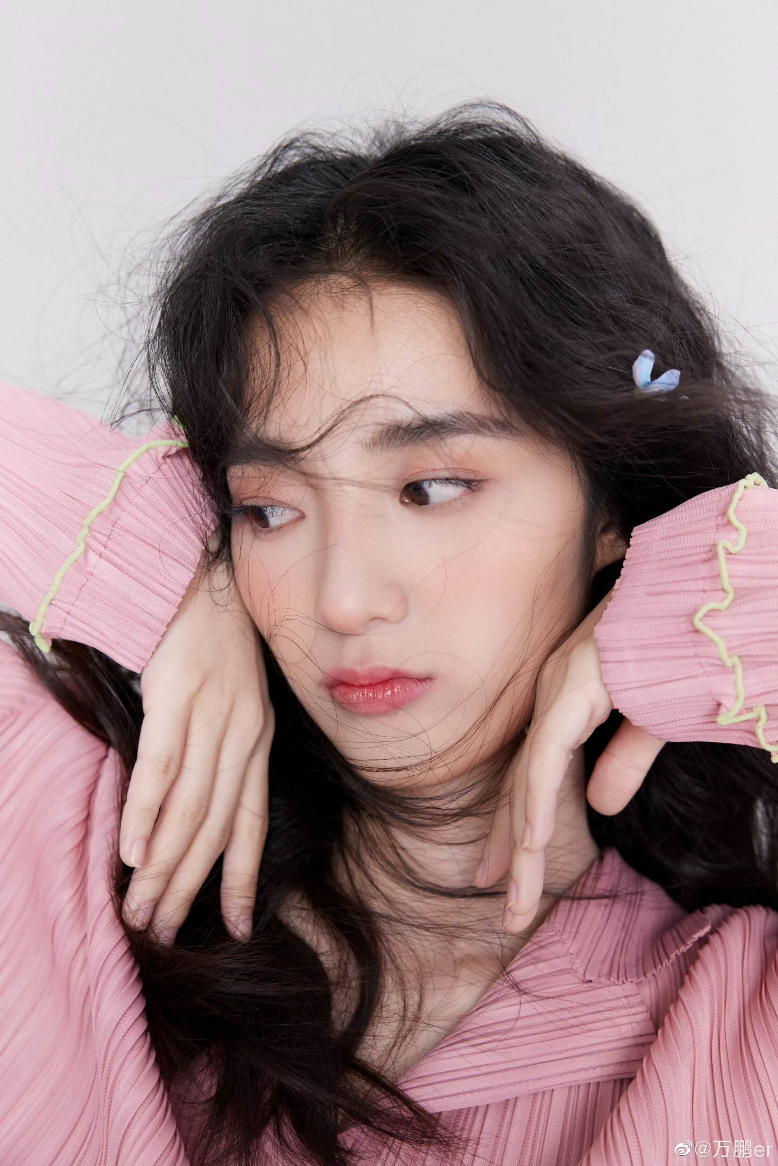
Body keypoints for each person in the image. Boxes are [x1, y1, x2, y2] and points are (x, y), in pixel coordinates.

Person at [1, 100, 778, 1166]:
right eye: (269, 509)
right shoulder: (64, 849)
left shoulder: (739, 1006)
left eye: (432, 487)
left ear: (610, 505)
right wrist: (162, 573)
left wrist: (694, 611)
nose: (342, 600)